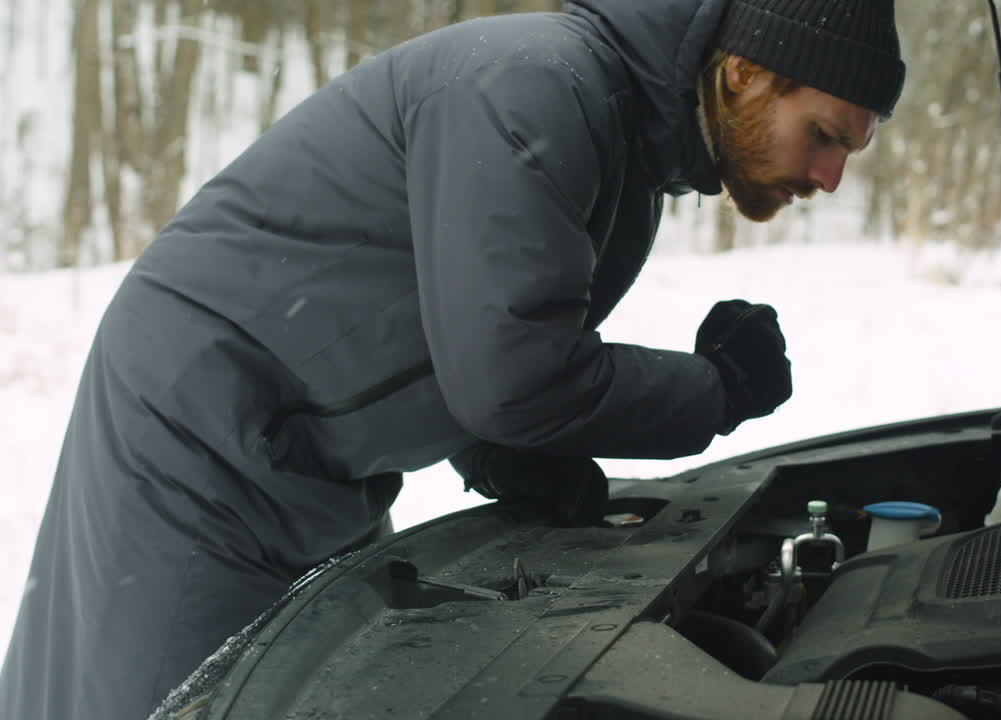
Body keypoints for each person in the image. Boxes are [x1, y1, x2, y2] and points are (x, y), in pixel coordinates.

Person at [0, 0, 905, 716]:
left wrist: (513, 458)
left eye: (849, 151)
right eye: (824, 134)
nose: (830, 177)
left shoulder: (622, 158)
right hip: (197, 428)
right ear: (744, 72)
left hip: (310, 449)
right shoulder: (537, 86)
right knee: (175, 700)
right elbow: (514, 377)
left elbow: (461, 329)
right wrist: (717, 390)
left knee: (306, 688)